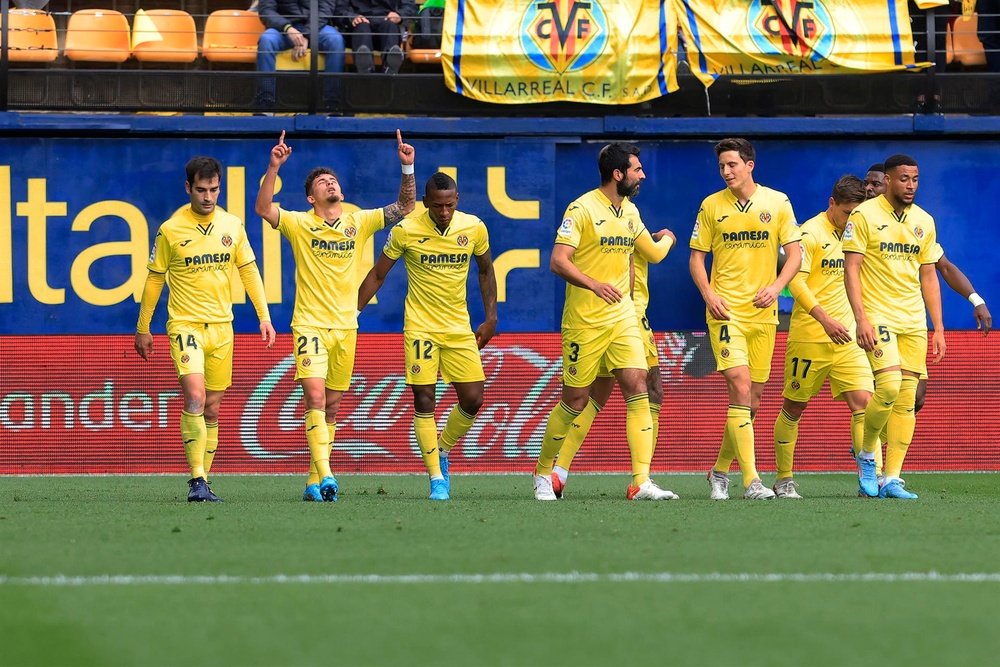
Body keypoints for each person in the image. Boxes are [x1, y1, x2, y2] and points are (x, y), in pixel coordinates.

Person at [255, 129, 416, 501]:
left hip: (346, 326)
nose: (331, 183)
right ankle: (328, 473)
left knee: (333, 405)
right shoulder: (298, 223)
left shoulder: (358, 222)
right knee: (314, 397)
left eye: (334, 180)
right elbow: (263, 209)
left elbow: (405, 207)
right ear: (312, 197)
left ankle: (314, 480)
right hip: (309, 323)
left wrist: (407, 167)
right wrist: (273, 166)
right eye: (323, 182)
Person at [532, 143, 678, 502]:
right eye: (637, 170)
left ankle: (640, 482)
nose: (642, 175)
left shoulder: (630, 211)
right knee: (575, 400)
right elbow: (558, 261)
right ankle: (542, 473)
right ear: (618, 174)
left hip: (623, 317)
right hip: (585, 321)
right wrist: (594, 284)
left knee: (637, 386)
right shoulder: (581, 209)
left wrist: (668, 239)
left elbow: (649, 253)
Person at [135, 157, 276, 502]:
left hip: (222, 329)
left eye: (214, 189)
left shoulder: (232, 224)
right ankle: (196, 480)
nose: (208, 196)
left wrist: (264, 316)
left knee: (212, 408)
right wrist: (144, 327)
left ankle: (205, 481)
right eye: (201, 189)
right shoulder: (171, 229)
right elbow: (155, 278)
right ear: (188, 188)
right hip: (185, 324)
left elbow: (249, 271)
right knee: (195, 396)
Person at [357, 172, 497, 501]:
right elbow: (378, 273)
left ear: (457, 200)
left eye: (449, 205)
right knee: (424, 400)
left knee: (474, 399)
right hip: (420, 327)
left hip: (459, 327)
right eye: (437, 206)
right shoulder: (405, 230)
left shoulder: (474, 227)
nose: (444, 212)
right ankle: (437, 479)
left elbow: (486, 270)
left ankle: (443, 448)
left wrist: (491, 317)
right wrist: (353, 313)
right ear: (426, 202)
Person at [689, 137, 802, 501]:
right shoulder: (711, 206)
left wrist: (777, 287)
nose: (726, 172)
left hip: (763, 314)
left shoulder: (778, 201)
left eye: (732, 165)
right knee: (739, 387)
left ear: (750, 165)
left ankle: (719, 471)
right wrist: (710, 295)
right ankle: (752, 480)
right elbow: (696, 260)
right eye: (722, 166)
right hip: (725, 314)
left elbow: (795, 255)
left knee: (751, 401)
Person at [548, 225, 677, 498]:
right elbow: (655, 254)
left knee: (595, 397)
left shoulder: (618, 218)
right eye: (637, 177)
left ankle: (559, 472)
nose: (641, 178)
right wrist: (668, 238)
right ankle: (642, 478)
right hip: (629, 318)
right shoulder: (629, 223)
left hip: (608, 318)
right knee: (648, 391)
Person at [844, 153, 946, 499]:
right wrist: (860, 318)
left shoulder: (924, 221)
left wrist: (939, 328)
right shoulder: (863, 215)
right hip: (878, 316)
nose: (911, 186)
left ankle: (892, 478)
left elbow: (929, 275)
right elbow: (852, 269)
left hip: (913, 320)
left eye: (915, 179)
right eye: (904, 179)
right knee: (886, 388)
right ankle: (868, 454)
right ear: (887, 180)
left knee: (905, 401)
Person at [771, 176, 874, 498]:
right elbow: (796, 284)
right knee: (793, 407)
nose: (850, 221)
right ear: (832, 203)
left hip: (850, 338)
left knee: (865, 404)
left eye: (856, 215)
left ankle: (869, 478)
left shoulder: (860, 233)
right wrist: (825, 319)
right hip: (811, 336)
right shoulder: (810, 233)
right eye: (846, 213)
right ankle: (784, 478)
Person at [256, 0, 346, 107]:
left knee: (335, 40)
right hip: (284, 29)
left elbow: (325, 9)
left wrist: (307, 34)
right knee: (266, 40)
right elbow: (266, 10)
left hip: (317, 28)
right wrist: (287, 28)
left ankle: (332, 103)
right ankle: (266, 103)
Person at [340, 0, 415, 74]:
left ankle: (390, 67)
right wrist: (352, 17)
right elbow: (340, 10)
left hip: (387, 23)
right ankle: (365, 68)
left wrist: (399, 15)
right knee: (361, 27)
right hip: (359, 29)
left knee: (390, 26)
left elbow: (409, 6)